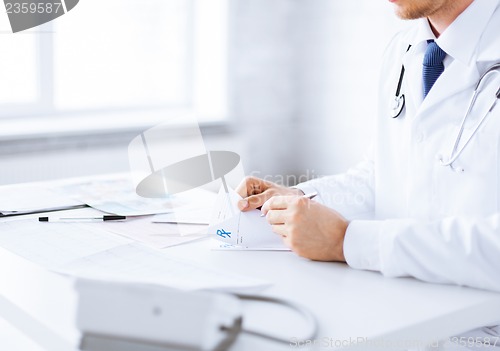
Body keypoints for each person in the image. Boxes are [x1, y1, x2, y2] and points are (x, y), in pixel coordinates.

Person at [236, 0, 500, 349]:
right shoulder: (403, 51)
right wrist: (300, 201)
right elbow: (381, 177)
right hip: (406, 310)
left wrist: (346, 241)